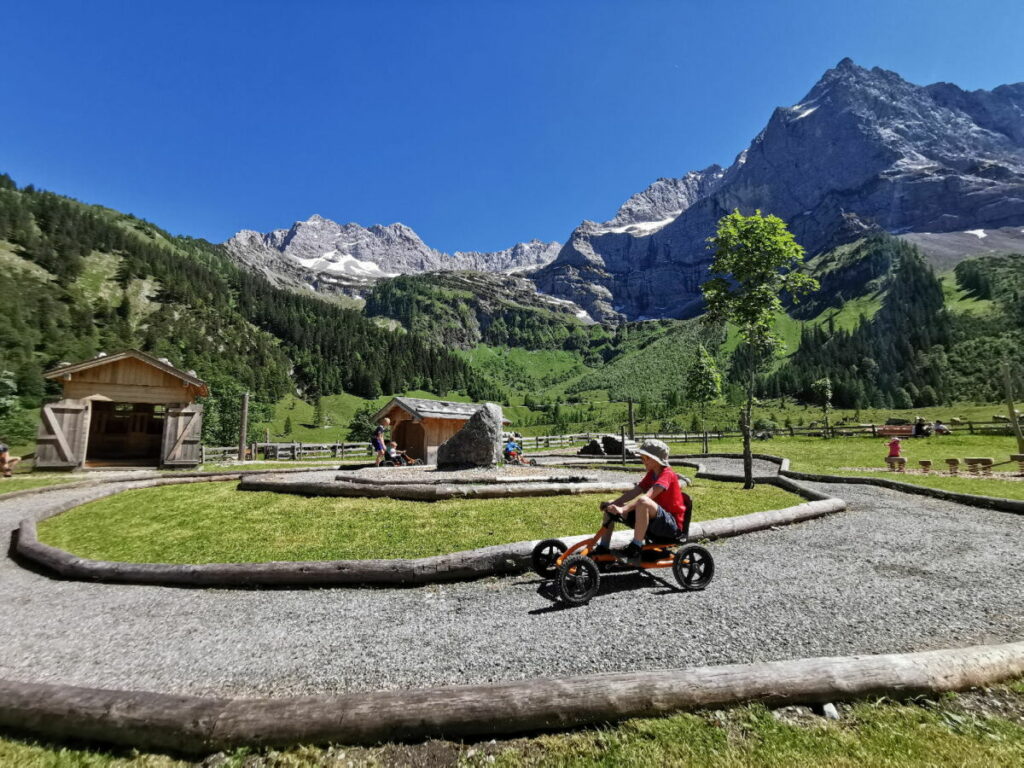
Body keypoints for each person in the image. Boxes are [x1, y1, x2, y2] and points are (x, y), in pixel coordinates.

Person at [593, 439, 688, 560]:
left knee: (643, 501)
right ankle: (603, 548)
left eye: (645, 458)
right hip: (655, 520)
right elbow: (635, 491)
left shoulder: (667, 474)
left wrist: (623, 509)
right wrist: (613, 504)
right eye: (642, 458)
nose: (642, 461)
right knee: (612, 506)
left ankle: (635, 547)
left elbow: (647, 497)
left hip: (671, 526)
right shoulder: (652, 473)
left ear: (656, 459)